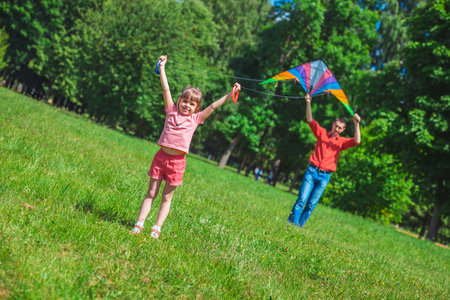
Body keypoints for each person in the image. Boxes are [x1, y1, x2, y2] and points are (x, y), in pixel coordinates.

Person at [131, 55, 241, 238]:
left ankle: (156, 228)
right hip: (160, 157)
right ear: (179, 100)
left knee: (167, 197)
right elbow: (165, 88)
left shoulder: (196, 119)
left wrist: (231, 93)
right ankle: (139, 223)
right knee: (151, 192)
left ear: (197, 108)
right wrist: (163, 67)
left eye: (192, 104)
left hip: (177, 162)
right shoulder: (171, 110)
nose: (187, 105)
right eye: (184, 101)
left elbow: (213, 106)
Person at [288, 93, 360, 227]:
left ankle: (298, 226)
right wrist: (308, 102)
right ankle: (291, 224)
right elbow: (310, 120)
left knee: (311, 205)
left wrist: (356, 124)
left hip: (324, 177)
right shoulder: (321, 133)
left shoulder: (342, 143)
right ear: (333, 124)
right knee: (301, 200)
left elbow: (357, 140)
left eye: (340, 128)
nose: (337, 129)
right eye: (336, 126)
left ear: (343, 130)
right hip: (312, 171)